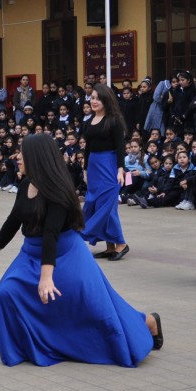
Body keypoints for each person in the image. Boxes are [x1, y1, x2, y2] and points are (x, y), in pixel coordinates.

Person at [0, 134, 162, 367]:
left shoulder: (59, 191)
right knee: (7, 292)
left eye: (23, 153)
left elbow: (51, 235)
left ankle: (148, 322)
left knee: (96, 310)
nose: (18, 157)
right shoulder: (24, 185)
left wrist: (46, 278)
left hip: (66, 255)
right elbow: (13, 221)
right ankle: (26, 347)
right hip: (31, 255)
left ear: (37, 157)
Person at [82, 84, 130, 260]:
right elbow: (87, 148)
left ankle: (121, 244)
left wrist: (120, 170)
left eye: (97, 98)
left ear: (106, 100)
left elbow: (120, 147)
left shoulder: (114, 120)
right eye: (92, 98)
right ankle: (111, 246)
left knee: (107, 206)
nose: (93, 101)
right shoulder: (88, 122)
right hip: (94, 166)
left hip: (109, 165)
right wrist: (85, 169)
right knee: (95, 204)